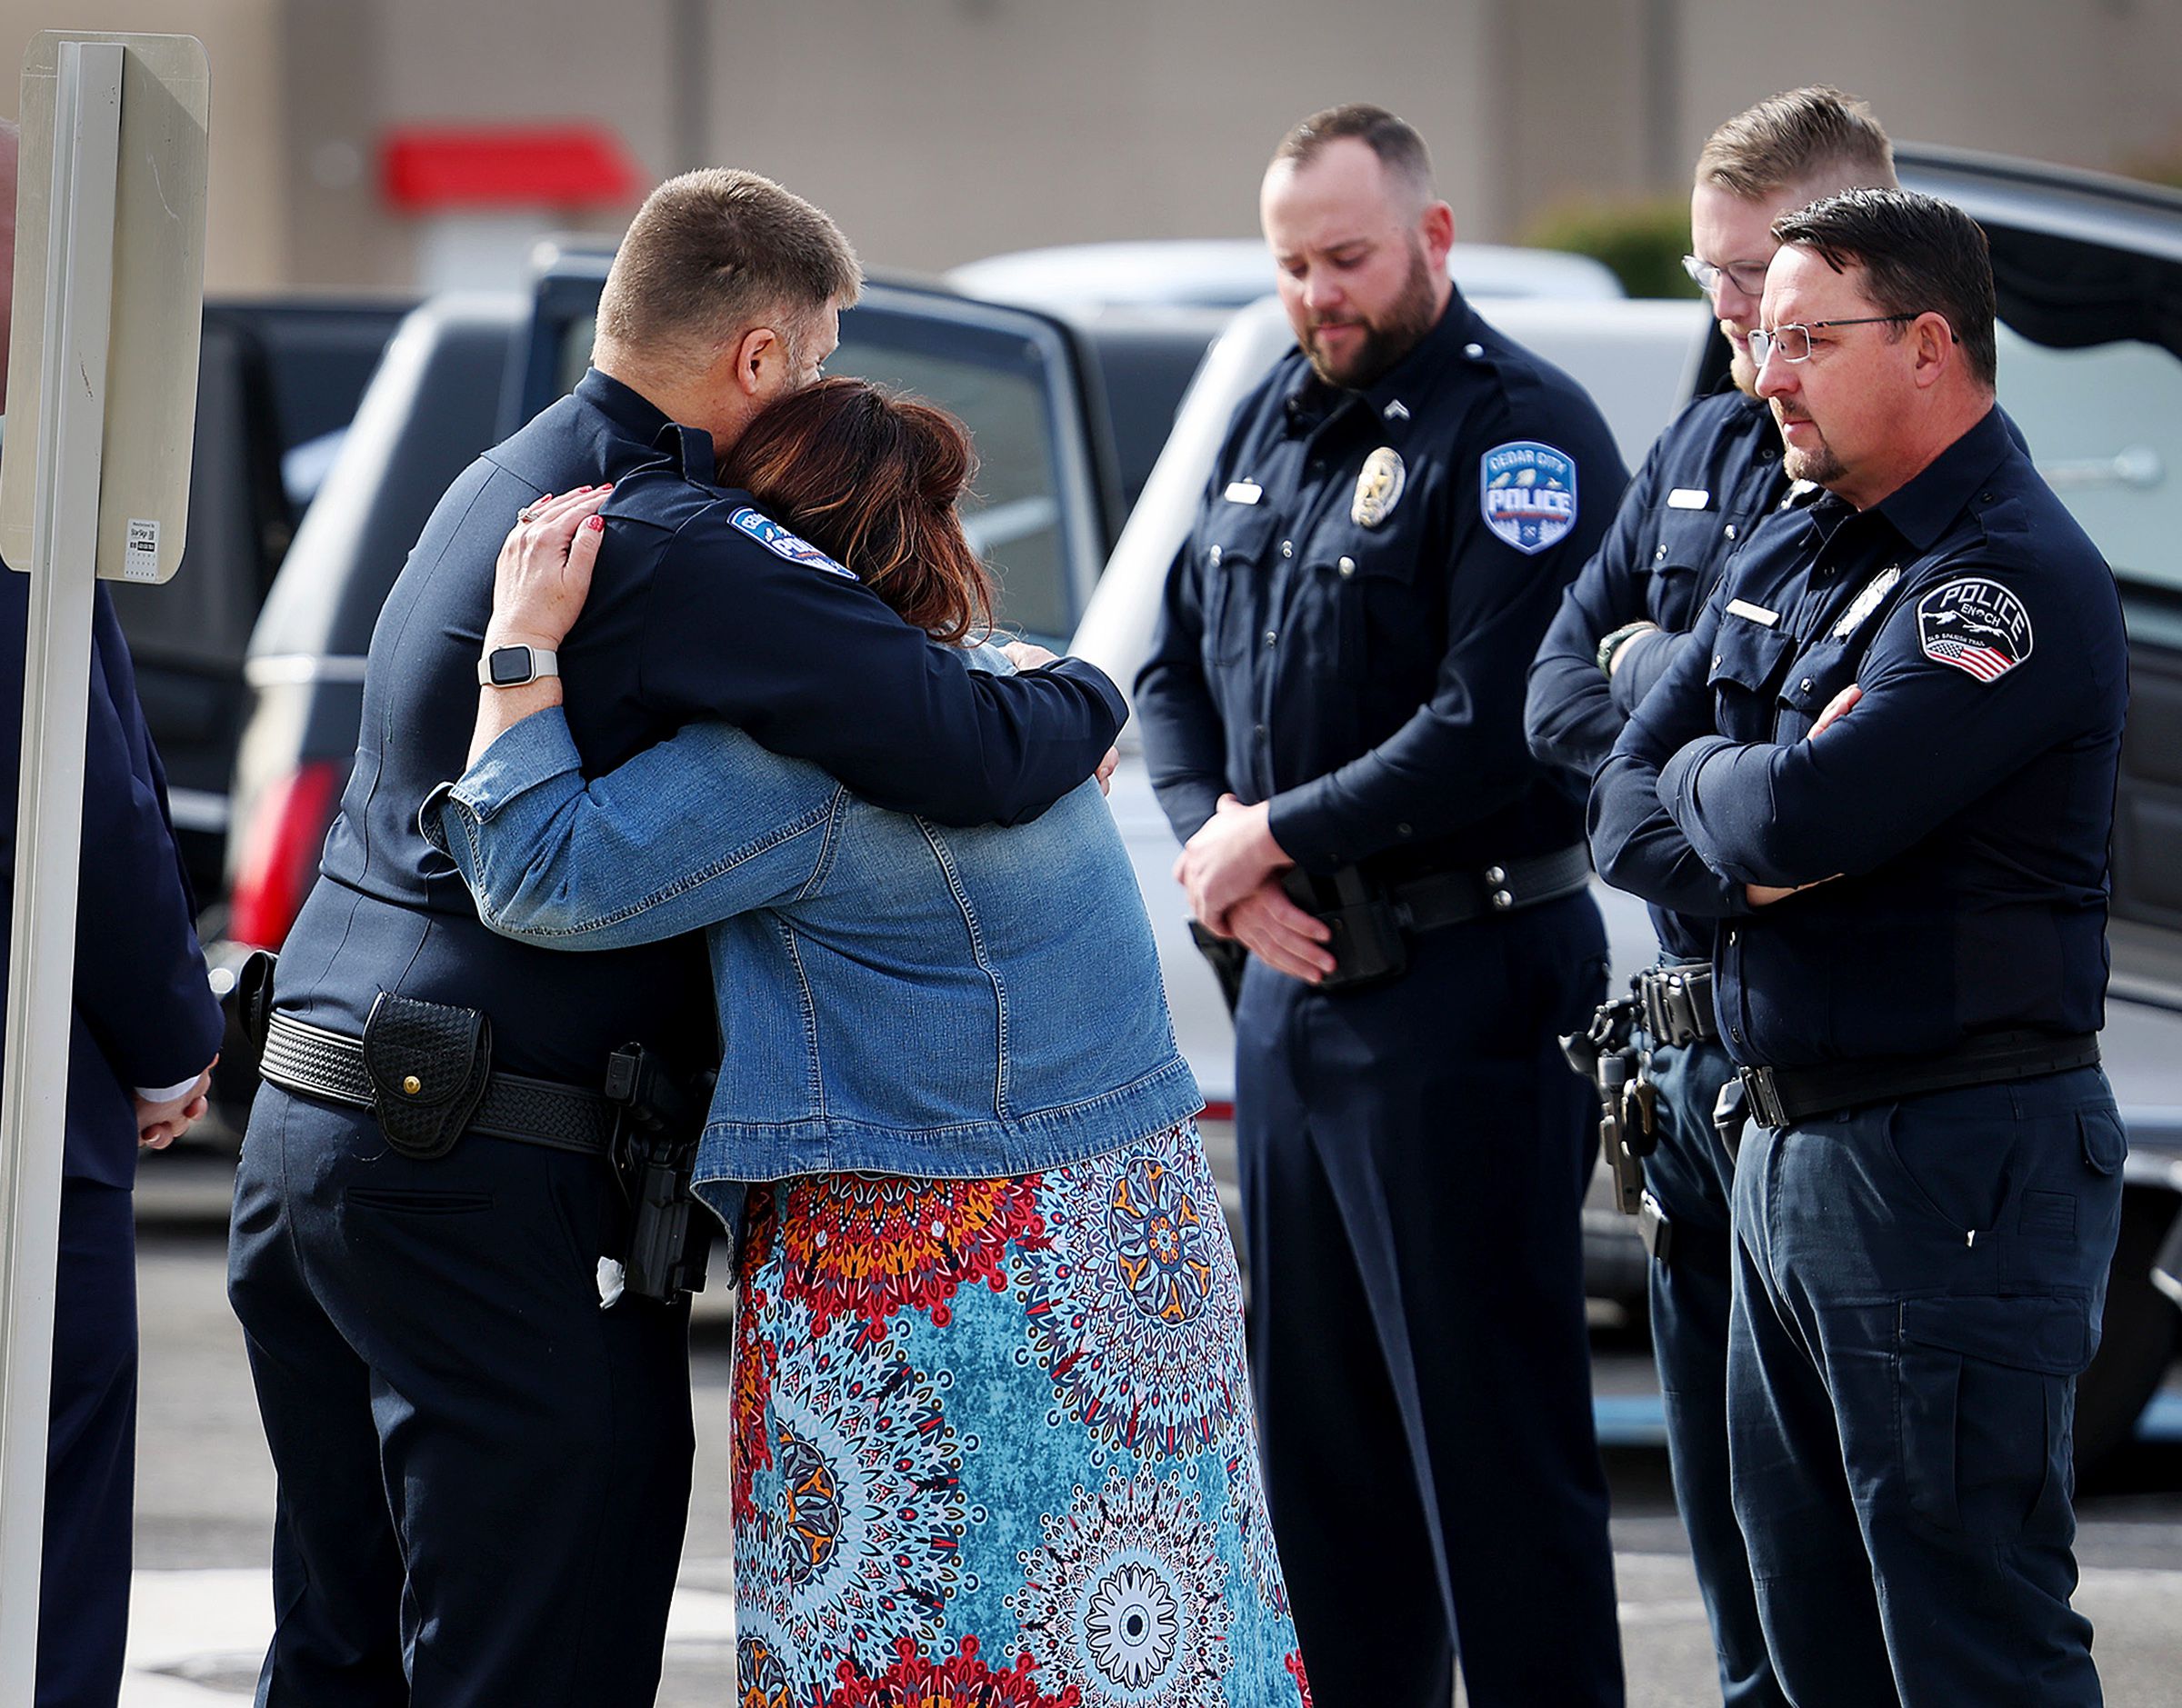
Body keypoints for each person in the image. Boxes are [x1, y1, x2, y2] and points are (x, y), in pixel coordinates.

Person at [225, 171, 1126, 1707]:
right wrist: (1097, 693)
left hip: (313, 1128)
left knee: (341, 1646)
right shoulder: (683, 534)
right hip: (478, 1166)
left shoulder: (500, 473)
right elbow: (966, 743)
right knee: (536, 1649)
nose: (830, 389)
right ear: (762, 357)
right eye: (825, 353)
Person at [425, 378, 1308, 1707]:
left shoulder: (796, 764)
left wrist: (521, 646)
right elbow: (1081, 685)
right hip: (1140, 1243)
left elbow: (539, 876)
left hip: (935, 1262)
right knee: (1150, 1640)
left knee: (921, 1645)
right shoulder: (1010, 691)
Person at [1589, 188, 2126, 1707]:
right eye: (1762, 339)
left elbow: (1780, 813)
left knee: (1969, 1643)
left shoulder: (2000, 576)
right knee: (1806, 1631)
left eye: (1806, 340)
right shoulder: (1802, 532)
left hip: (1946, 1155)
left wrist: (1739, 803)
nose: (1766, 374)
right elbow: (1620, 808)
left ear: (1931, 347)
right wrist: (1745, 803)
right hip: (1782, 1144)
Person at [1132, 104, 1629, 1708]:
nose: (1316, 295)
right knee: (1320, 1465)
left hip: (1467, 988)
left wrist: (1264, 835)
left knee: (1490, 1458)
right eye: (1289, 265)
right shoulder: (1271, 420)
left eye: (1345, 258)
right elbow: (1166, 670)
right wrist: (1229, 864)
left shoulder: (1519, 437)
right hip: (1295, 991)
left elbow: (1496, 721)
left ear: (1432, 238)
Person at [1524, 87, 1895, 1708]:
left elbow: (1798, 782)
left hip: (1820, 1074)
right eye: (1711, 276)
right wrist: (1686, 726)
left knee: (1857, 1571)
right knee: (1730, 1555)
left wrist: (1659, 712)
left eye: (1757, 276)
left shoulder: (1884, 484)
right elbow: (1557, 704)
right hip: (1678, 1070)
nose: (1732, 314)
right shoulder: (1697, 445)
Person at [0, 115, 224, 1707]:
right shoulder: (17, 504)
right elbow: (84, 803)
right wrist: (167, 1041)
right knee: (46, 1558)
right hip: (22, 1135)